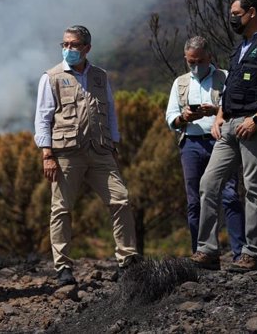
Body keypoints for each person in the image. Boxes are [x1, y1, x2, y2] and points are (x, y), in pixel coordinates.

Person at [190, 0, 257, 272]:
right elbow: (229, 88)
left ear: (252, 13)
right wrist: (219, 117)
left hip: (253, 124)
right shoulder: (241, 47)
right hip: (230, 126)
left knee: (254, 189)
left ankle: (253, 253)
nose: (233, 18)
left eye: (236, 13)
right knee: (208, 184)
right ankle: (208, 251)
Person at [34, 25, 140, 286]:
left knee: (121, 200)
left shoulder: (100, 77)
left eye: (74, 45)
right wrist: (47, 154)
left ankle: (127, 261)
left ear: (87, 48)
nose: (68, 49)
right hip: (66, 153)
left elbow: (111, 112)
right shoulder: (51, 77)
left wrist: (114, 144)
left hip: (101, 151)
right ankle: (63, 268)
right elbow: (43, 117)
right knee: (61, 209)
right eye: (65, 45)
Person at [165, 36, 245, 259]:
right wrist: (184, 116)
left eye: (200, 60)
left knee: (229, 195)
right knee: (194, 201)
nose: (195, 66)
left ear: (209, 56)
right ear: (185, 58)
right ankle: (201, 252)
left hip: (221, 142)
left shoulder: (225, 77)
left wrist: (215, 111)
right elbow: (170, 117)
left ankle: (239, 253)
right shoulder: (180, 83)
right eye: (191, 61)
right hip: (191, 143)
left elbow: (235, 107)